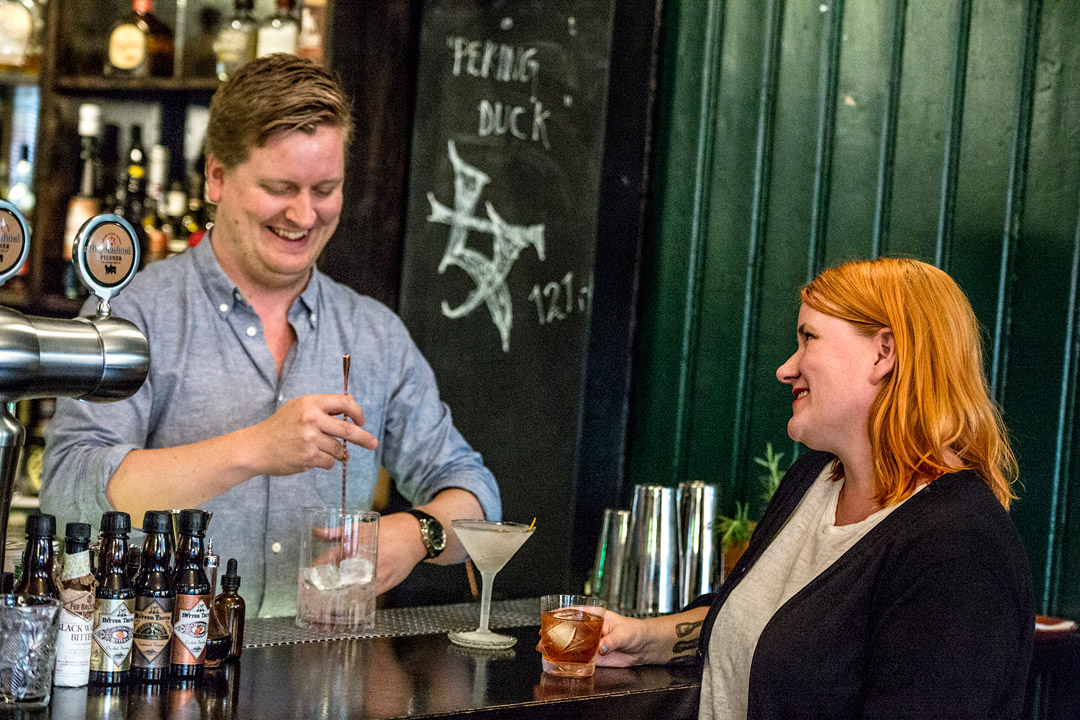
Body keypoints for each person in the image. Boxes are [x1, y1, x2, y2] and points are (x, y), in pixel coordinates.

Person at [41, 54, 501, 617]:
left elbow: (475, 495)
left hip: (321, 683)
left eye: (325, 188)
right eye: (280, 187)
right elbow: (68, 499)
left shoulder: (373, 333)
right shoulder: (134, 315)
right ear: (216, 177)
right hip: (159, 673)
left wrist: (418, 533)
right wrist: (257, 448)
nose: (304, 215)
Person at [590, 258, 1034, 718]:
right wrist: (645, 640)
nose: (786, 368)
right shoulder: (814, 478)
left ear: (884, 353)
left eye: (809, 338)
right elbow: (764, 621)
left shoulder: (957, 548)